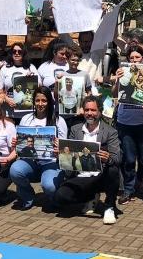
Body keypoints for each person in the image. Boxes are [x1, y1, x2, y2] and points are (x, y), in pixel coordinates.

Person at [54, 95, 121, 225]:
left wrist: (108, 158)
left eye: (93, 110)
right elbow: (68, 162)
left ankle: (109, 206)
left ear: (100, 112)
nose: (90, 113)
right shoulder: (75, 130)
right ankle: (90, 197)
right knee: (60, 197)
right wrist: (61, 156)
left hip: (101, 175)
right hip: (81, 175)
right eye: (87, 110)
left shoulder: (110, 131)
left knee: (113, 170)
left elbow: (117, 158)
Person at [112, 46, 143, 206]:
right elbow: (114, 94)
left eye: (137, 58)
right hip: (125, 122)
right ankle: (128, 190)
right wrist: (117, 80)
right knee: (128, 159)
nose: (134, 60)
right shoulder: (122, 73)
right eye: (131, 58)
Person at [9, 87, 67, 210]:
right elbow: (20, 144)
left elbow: (65, 148)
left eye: (44, 101)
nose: (40, 104)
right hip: (30, 161)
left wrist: (59, 147)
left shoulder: (59, 120)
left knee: (49, 186)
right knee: (15, 170)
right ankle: (27, 196)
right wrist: (16, 143)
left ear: (50, 102)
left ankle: (54, 199)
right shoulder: (26, 119)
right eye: (37, 100)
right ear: (33, 101)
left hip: (50, 163)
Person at [0, 42, 38, 119]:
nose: (17, 53)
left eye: (20, 52)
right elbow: (0, 90)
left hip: (27, 113)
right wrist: (7, 99)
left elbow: (39, 87)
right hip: (8, 113)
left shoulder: (31, 67)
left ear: (24, 53)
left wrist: (32, 80)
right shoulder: (5, 68)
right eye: (14, 51)